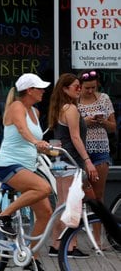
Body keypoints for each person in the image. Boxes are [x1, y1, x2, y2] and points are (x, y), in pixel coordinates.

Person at [0, 73, 52, 270]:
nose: (43, 91)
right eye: (40, 88)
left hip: (27, 167)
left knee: (45, 213)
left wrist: (48, 148)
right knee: (44, 188)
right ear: (29, 90)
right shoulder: (17, 107)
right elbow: (21, 129)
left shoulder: (34, 111)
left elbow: (34, 139)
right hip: (9, 166)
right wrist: (36, 141)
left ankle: (30, 258)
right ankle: (4, 215)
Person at [48, 73, 98, 258]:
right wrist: (87, 160)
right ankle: (70, 246)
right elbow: (75, 138)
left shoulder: (61, 108)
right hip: (71, 161)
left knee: (61, 204)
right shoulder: (71, 109)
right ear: (65, 89)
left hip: (60, 162)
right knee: (72, 205)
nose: (79, 89)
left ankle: (56, 245)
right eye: (76, 86)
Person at [77, 69, 115, 247]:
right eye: (86, 88)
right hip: (81, 153)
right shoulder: (74, 100)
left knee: (98, 197)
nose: (90, 91)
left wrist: (102, 122)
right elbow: (68, 126)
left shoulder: (104, 99)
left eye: (93, 87)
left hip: (100, 151)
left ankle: (97, 240)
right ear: (80, 86)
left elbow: (113, 127)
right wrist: (85, 122)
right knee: (80, 196)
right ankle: (73, 239)